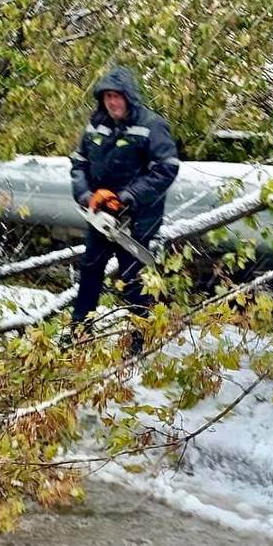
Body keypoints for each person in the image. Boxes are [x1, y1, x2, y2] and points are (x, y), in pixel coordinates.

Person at [66, 66, 181, 352]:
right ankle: (79, 332)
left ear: (129, 97)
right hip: (101, 215)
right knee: (90, 271)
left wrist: (128, 196)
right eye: (107, 97)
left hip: (137, 217)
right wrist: (85, 195)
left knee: (133, 278)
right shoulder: (96, 124)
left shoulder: (151, 125)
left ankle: (138, 342)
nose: (112, 103)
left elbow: (166, 169)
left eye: (117, 97)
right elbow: (79, 163)